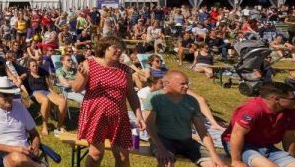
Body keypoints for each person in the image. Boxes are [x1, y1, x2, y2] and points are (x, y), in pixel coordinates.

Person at [72, 36, 145, 167]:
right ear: (104, 48)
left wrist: (139, 115)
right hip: (96, 115)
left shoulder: (124, 69)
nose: (119, 51)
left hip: (119, 116)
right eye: (115, 48)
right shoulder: (89, 64)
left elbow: (131, 94)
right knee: (96, 154)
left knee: (123, 156)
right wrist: (84, 76)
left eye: (121, 48)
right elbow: (76, 89)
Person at [145, 71, 226, 167]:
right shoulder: (155, 98)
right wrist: (160, 148)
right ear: (167, 83)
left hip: (187, 141)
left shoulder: (192, 101)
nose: (187, 86)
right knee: (166, 163)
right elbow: (149, 125)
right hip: (163, 140)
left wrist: (215, 156)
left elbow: (202, 130)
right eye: (182, 84)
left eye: (187, 83)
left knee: (215, 165)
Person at [221, 82, 295, 167]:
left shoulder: (291, 112)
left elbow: (289, 137)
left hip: (267, 146)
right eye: (293, 99)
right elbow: (237, 134)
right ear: (276, 99)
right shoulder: (252, 109)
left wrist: (292, 158)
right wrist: (236, 161)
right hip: (242, 146)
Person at [0, 76, 44, 167]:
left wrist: (35, 147)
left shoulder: (20, 107)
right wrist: (15, 149)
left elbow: (34, 133)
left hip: (26, 155)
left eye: (11, 94)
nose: (10, 97)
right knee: (15, 158)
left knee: (18, 158)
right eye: (5, 95)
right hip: (3, 156)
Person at [19, 58, 67, 135]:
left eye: (36, 65)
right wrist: (19, 82)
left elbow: (48, 87)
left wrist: (55, 93)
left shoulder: (42, 74)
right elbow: (20, 78)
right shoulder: (27, 74)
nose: (35, 67)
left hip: (46, 91)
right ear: (29, 67)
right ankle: (45, 125)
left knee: (63, 101)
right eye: (33, 66)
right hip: (35, 93)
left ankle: (59, 126)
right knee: (45, 100)